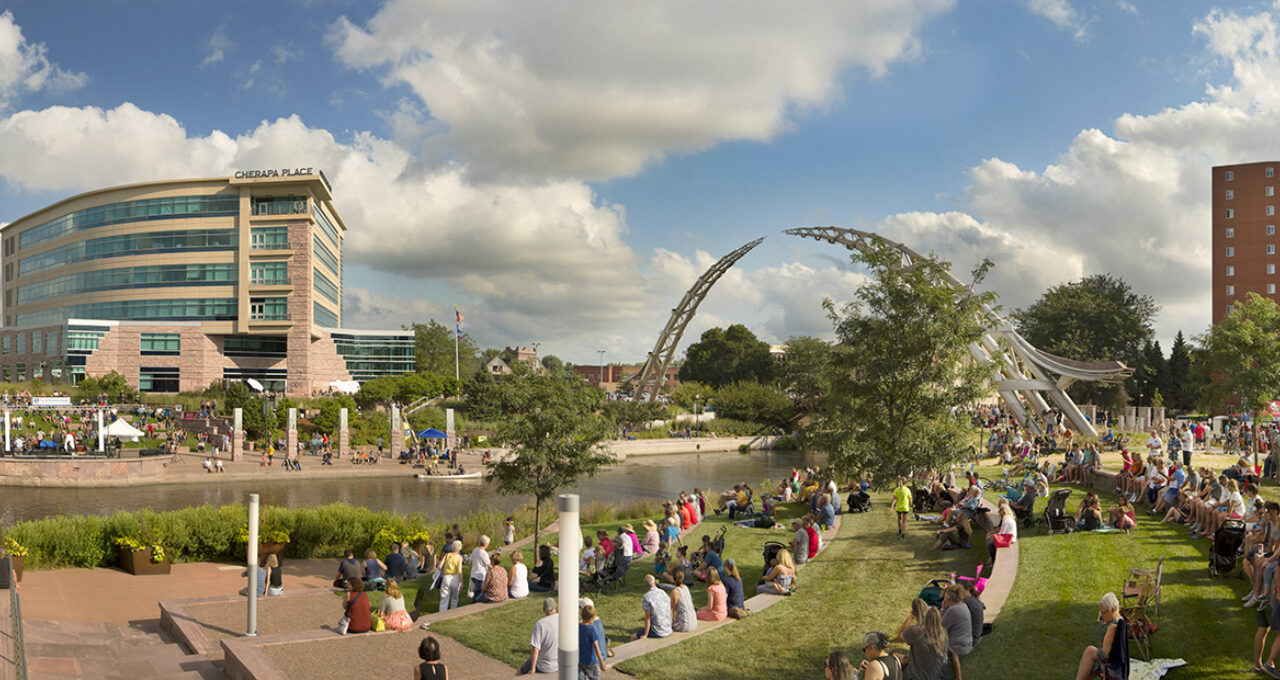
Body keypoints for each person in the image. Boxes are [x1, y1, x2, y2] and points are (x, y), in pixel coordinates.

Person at [1072, 593, 1129, 680]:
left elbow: (1105, 655)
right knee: (1089, 660)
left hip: (1111, 667)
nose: (1101, 615)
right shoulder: (1120, 620)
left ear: (1113, 610)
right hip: (1120, 665)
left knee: (1089, 652)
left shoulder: (1112, 628)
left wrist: (1092, 652)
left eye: (1103, 612)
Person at [899, 603, 947, 680]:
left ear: (924, 619)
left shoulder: (917, 634)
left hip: (916, 676)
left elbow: (900, 636)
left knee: (895, 659)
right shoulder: (943, 634)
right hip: (934, 675)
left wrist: (910, 617)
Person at [518, 598, 559, 675]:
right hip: (560, 664)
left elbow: (535, 649)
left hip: (544, 666)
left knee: (521, 671)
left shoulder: (540, 624)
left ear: (543, 610)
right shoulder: (564, 619)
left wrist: (532, 669)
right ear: (555, 608)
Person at [941, 584, 973, 672]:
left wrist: (942, 608)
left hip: (957, 645)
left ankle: (957, 676)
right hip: (967, 641)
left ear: (948, 599)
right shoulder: (963, 605)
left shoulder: (952, 610)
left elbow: (941, 627)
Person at [630, 574, 673, 640]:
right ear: (655, 582)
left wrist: (645, 635)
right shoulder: (663, 592)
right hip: (668, 628)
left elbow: (647, 617)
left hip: (658, 631)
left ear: (645, 585)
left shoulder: (647, 597)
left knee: (633, 637)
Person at [579, 603, 608, 680]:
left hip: (580, 660)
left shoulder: (578, 626)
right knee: (594, 678)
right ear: (591, 619)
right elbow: (596, 646)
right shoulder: (591, 630)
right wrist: (601, 662)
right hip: (591, 661)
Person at [669, 567, 698, 633]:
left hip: (684, 626)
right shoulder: (685, 588)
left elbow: (671, 610)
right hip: (694, 622)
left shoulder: (675, 592)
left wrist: (670, 624)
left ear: (673, 578)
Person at [436, 540, 463, 612]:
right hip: (455, 578)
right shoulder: (459, 557)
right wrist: (461, 582)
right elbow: (459, 570)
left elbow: (439, 566)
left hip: (446, 577)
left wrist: (437, 574)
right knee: (455, 597)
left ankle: (442, 612)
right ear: (459, 549)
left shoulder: (447, 555)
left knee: (444, 597)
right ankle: (452, 611)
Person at [468, 535, 492, 601]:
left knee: (474, 592)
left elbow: (471, 562)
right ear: (486, 544)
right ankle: (474, 605)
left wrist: (470, 572)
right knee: (479, 594)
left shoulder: (475, 550)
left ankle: (473, 603)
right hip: (480, 575)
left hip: (473, 574)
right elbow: (489, 564)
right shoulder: (484, 553)